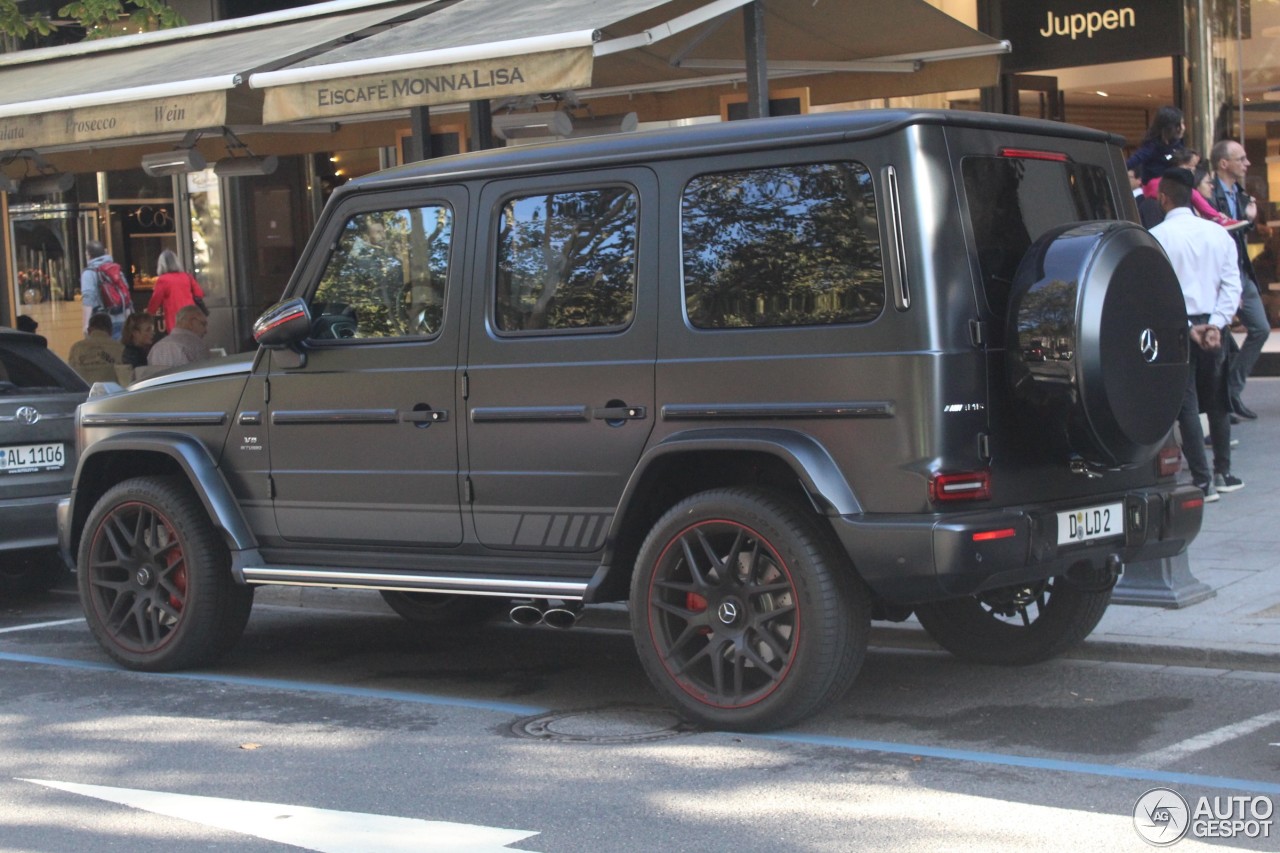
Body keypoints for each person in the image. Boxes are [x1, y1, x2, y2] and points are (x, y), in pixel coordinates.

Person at [1149, 168, 1243, 501]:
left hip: (1178, 325)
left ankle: (1201, 480)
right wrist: (1216, 325)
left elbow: (1155, 292)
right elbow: (1233, 285)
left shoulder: (1156, 237)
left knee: (1186, 404)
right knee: (1218, 401)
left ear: (1163, 198)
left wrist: (1190, 329)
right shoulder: (1218, 235)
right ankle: (1223, 473)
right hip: (1214, 324)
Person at [1207, 138, 1271, 420]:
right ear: (1224, 163)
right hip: (1219, 274)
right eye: (1241, 158)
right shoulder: (1208, 195)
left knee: (1261, 328)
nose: (1246, 163)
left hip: (1241, 272)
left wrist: (1250, 219)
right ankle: (1223, 400)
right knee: (1219, 338)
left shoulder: (1242, 195)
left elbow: (1242, 233)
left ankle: (1231, 391)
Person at [79, 240, 131, 340]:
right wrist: (128, 319)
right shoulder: (116, 270)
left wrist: (85, 325)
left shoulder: (89, 273)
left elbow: (88, 298)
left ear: (88, 255)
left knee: (103, 354)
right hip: (121, 320)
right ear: (105, 252)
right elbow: (126, 294)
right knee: (119, 353)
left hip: (101, 324)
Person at [146, 249, 205, 332]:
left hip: (175, 319)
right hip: (191, 316)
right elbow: (199, 294)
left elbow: (155, 301)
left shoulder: (163, 280)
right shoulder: (187, 276)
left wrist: (147, 316)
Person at [142, 304, 209, 376]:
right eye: (203, 324)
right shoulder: (197, 345)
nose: (206, 331)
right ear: (191, 322)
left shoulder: (156, 348)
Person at [66, 312, 125, 384]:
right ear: (110, 330)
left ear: (89, 330)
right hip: (112, 394)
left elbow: (70, 376)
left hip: (84, 393)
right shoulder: (120, 348)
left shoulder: (77, 348)